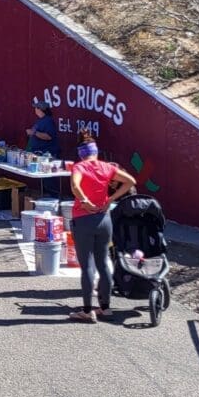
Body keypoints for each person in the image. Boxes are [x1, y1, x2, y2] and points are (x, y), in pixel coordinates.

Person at [68, 129, 137, 322]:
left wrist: (84, 200)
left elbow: (75, 185)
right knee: (103, 262)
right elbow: (131, 181)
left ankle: (87, 310)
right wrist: (111, 199)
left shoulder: (79, 167)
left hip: (84, 218)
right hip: (104, 219)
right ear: (95, 152)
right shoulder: (107, 167)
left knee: (87, 266)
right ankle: (105, 308)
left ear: (81, 154)